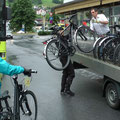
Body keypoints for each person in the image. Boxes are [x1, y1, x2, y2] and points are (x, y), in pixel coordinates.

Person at [59, 28, 75, 96]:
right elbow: (64, 46)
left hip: (64, 57)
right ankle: (67, 89)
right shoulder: (59, 38)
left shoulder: (63, 37)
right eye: (61, 30)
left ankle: (62, 89)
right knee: (72, 73)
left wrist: (71, 28)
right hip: (64, 57)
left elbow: (69, 36)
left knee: (65, 73)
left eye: (63, 30)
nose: (62, 31)